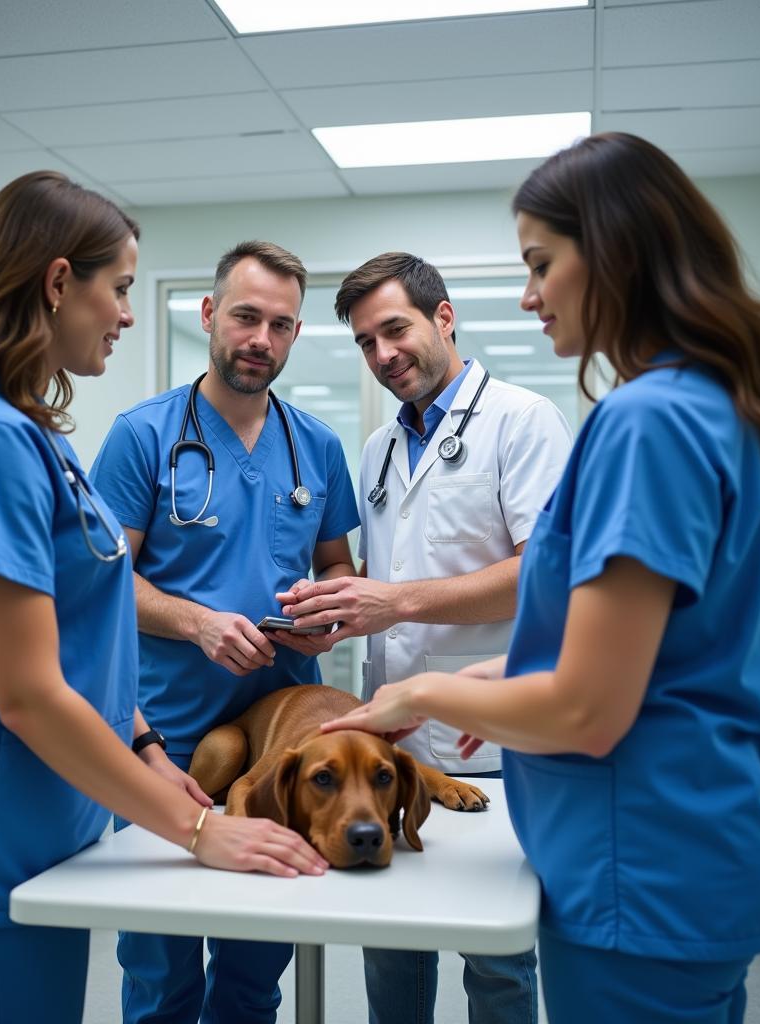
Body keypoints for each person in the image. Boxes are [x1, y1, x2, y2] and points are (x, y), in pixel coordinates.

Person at [320, 132, 760, 1024]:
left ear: (617, 255)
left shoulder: (645, 423)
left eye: (542, 263)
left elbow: (591, 706)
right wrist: (468, 685)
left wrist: (435, 689)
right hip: (679, 845)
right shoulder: (697, 402)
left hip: (649, 858)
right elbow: (635, 651)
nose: (528, 295)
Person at [0, 174, 326, 1024]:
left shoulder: (24, 433)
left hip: (42, 820)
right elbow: (30, 693)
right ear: (56, 282)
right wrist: (195, 830)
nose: (128, 314)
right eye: (119, 289)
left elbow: (80, 637)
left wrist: (147, 748)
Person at [277, 251, 572, 1023]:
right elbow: (397, 575)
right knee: (393, 952)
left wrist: (397, 601)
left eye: (396, 330)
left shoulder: (524, 420)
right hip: (394, 754)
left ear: (445, 317)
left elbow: (545, 573)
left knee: (498, 959)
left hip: (494, 742)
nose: (383, 355)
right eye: (366, 342)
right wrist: (335, 613)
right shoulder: (379, 449)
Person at [89, 239, 360, 1024]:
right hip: (162, 742)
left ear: (295, 336)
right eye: (246, 317)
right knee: (161, 972)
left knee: (253, 971)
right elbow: (105, 589)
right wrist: (198, 622)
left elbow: (341, 570)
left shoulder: (318, 447)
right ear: (210, 315)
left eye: (280, 325)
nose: (260, 340)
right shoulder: (142, 438)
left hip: (281, 756)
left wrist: (327, 613)